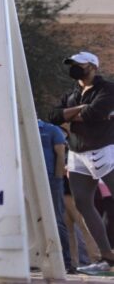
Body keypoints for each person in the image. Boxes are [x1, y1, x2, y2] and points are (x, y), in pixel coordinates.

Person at [49, 51, 114, 274]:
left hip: (106, 149)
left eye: (80, 64)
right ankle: (107, 257)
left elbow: (96, 112)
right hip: (77, 153)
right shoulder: (73, 93)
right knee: (83, 203)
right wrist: (80, 110)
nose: (75, 67)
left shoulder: (107, 89)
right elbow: (54, 115)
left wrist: (72, 115)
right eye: (72, 64)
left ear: (93, 67)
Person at [37, 119, 73, 272]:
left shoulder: (51, 130)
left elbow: (60, 155)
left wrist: (57, 180)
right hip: (28, 180)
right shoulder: (18, 130)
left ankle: (66, 262)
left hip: (51, 180)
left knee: (57, 220)